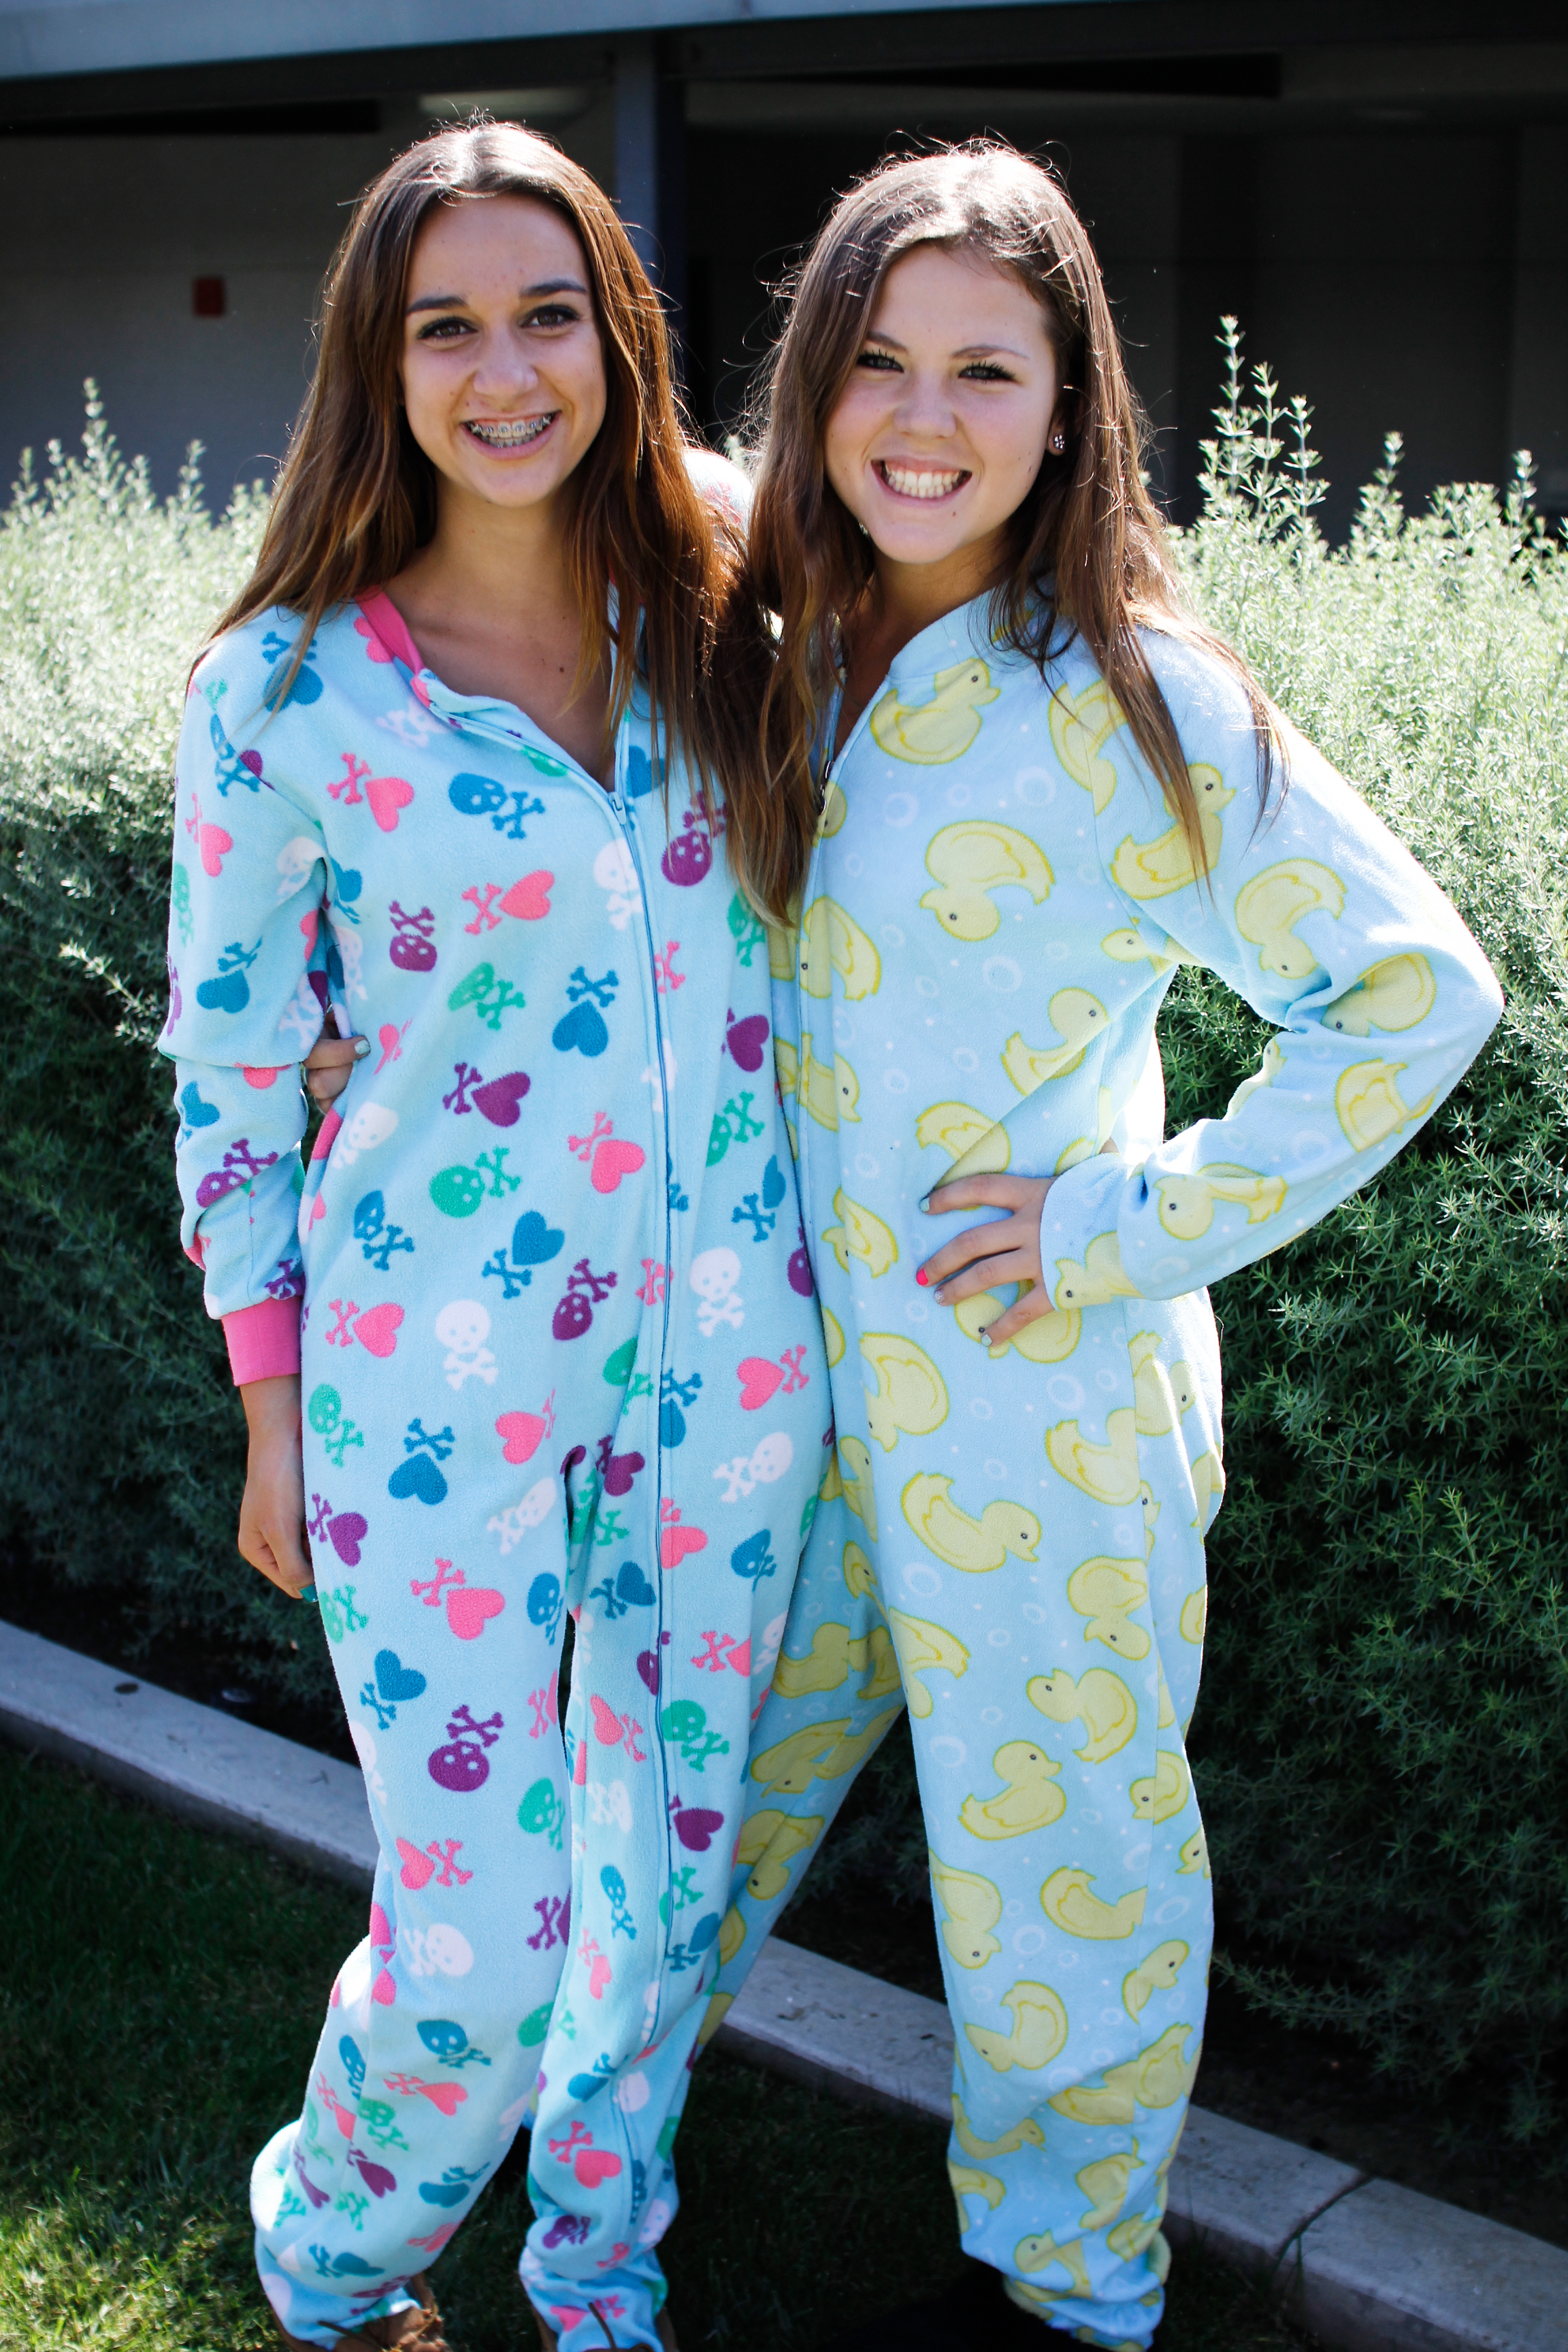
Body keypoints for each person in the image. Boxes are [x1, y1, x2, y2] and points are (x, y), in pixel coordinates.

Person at [706, 143, 1503, 2352]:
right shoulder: (780, 635)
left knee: (1063, 1879)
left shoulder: (1136, 695)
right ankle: (584, 2158)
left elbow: (1418, 993)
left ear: (1073, 406)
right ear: (813, 389)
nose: (925, 417)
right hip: (784, 1395)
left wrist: (1118, 1227)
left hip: (1039, 1409)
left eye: (987, 367)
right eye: (875, 363)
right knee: (678, 1800)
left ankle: (1067, 2296)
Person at [161, 120, 832, 2352]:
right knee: (482, 1930)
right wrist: (269, 1411)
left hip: (734, 1357)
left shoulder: (740, 587)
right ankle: (337, 2251)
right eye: (447, 322)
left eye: (551, 310)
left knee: (664, 1882)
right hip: (418, 1383)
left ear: (621, 338)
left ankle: (597, 2269)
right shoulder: (284, 691)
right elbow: (238, 1077)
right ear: (382, 360)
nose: (507, 366)